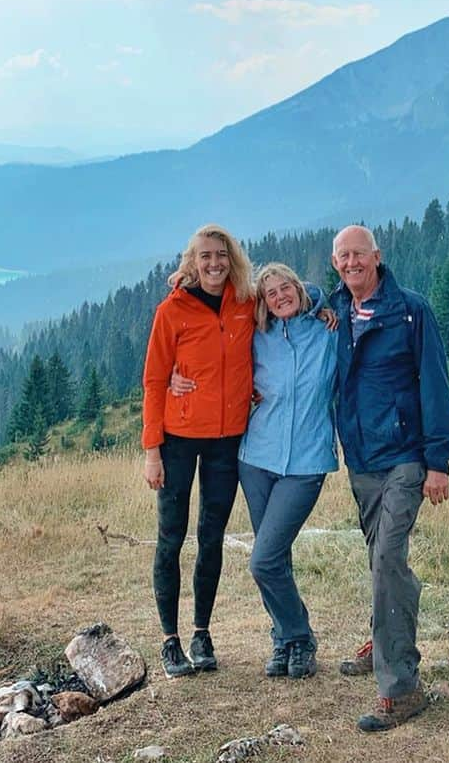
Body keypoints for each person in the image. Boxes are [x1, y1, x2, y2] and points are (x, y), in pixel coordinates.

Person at [170, 263, 339, 679]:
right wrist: (176, 374)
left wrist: (317, 300)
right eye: (271, 293)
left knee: (263, 559)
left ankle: (300, 636)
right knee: (275, 557)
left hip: (307, 461)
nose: (280, 296)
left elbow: (331, 295)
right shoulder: (256, 337)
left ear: (299, 289)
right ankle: (283, 640)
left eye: (287, 288)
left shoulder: (327, 331)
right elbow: (214, 350)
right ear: (261, 303)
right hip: (257, 458)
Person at [329, 224, 449, 733]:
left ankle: (401, 688)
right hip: (361, 457)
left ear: (377, 257)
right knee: (380, 556)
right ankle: (386, 642)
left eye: (360, 254)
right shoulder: (334, 309)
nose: (352, 263)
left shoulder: (410, 310)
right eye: (343, 256)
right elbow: (279, 295)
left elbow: (436, 383)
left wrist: (438, 460)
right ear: (335, 263)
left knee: (386, 558)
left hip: (405, 455)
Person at [141, 224, 256, 678]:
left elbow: (289, 292)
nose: (214, 264)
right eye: (205, 256)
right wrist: (152, 450)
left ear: (233, 259)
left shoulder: (246, 301)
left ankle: (201, 632)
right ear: (191, 262)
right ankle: (170, 640)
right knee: (171, 536)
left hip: (227, 440)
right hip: (178, 439)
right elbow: (154, 380)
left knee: (212, 537)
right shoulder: (171, 311)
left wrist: (321, 307)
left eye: (221, 255)